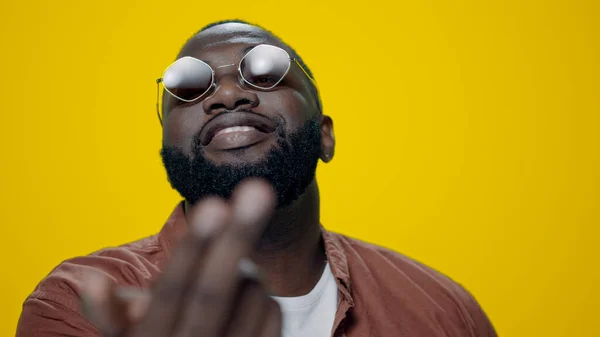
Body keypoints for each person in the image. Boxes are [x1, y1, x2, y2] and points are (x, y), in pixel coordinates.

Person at [16, 19, 497, 337]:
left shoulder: (442, 310)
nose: (226, 95)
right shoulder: (78, 304)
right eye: (188, 84)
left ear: (325, 136)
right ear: (168, 150)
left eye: (264, 71)